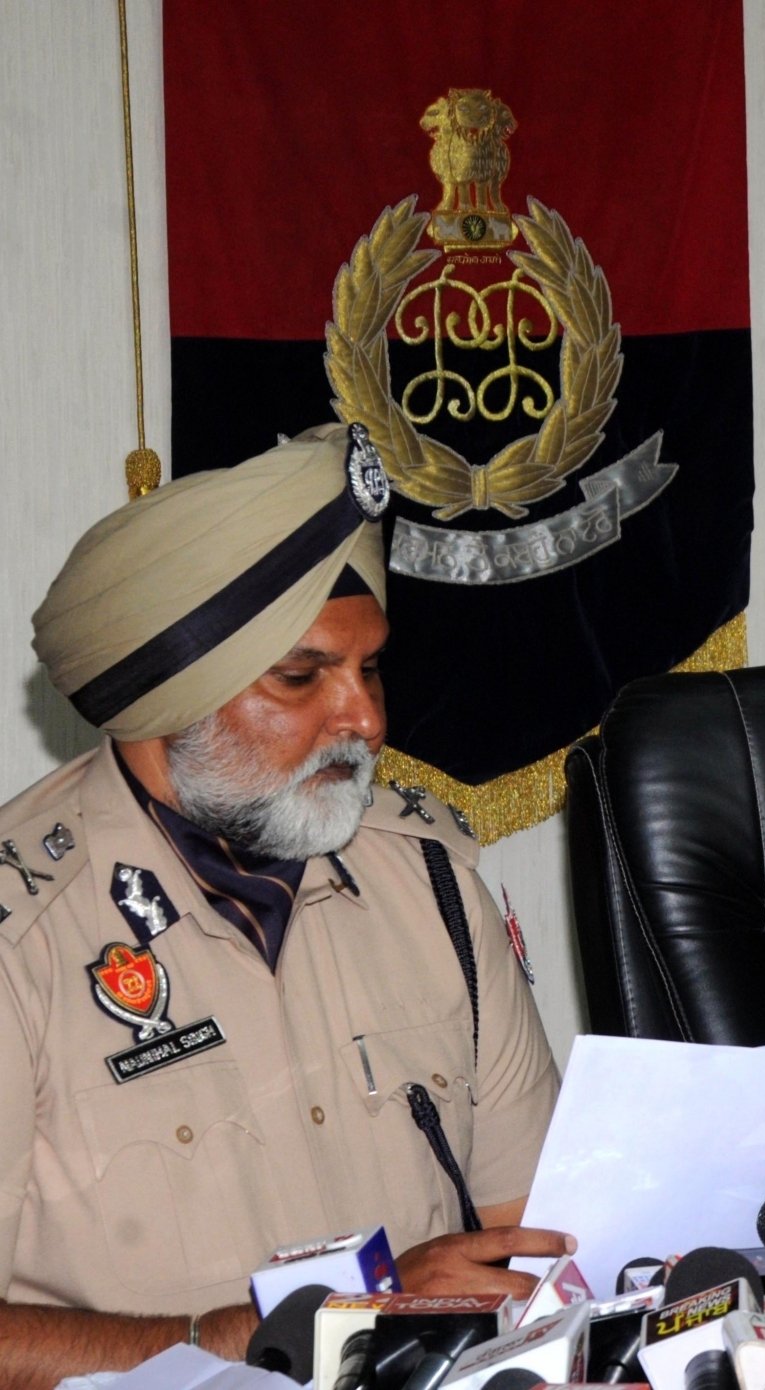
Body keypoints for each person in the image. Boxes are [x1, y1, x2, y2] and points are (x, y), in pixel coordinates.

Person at [0, 424, 565, 1381]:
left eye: (371, 666)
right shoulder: (26, 940)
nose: (368, 720)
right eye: (302, 678)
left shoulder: (431, 880)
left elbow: (538, 1230)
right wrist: (238, 1339)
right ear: (169, 700)